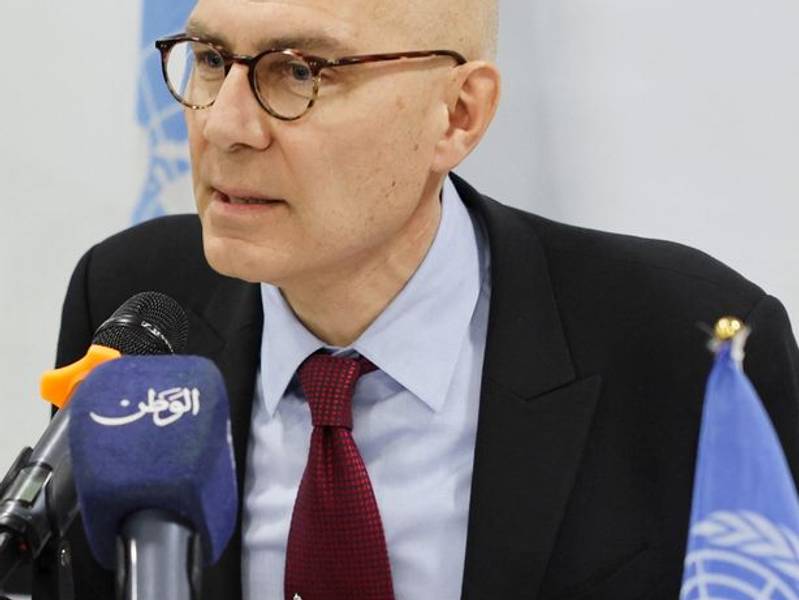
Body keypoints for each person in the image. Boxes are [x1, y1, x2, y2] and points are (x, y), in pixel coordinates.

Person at [34, 0, 799, 598]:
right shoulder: (137, 300)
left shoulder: (685, 349)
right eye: (209, 60)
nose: (224, 125)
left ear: (458, 114)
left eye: (297, 72)